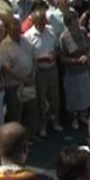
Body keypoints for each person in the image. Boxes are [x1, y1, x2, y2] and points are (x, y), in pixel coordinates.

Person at [25, 9, 62, 137]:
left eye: (43, 20)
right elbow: (29, 57)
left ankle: (55, 121)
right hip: (39, 71)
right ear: (34, 21)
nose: (43, 23)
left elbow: (57, 48)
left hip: (52, 68)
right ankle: (42, 125)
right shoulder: (28, 36)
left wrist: (53, 55)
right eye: (40, 21)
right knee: (41, 100)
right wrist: (42, 57)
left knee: (54, 97)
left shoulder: (50, 30)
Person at [0, 18, 37, 139]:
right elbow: (6, 69)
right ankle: (17, 139)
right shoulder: (5, 46)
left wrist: (31, 74)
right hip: (15, 85)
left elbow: (33, 57)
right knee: (17, 114)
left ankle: (30, 135)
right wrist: (22, 79)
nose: (17, 31)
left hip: (29, 81)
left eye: (18, 28)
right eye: (14, 29)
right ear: (8, 30)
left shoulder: (25, 40)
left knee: (30, 111)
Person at [59, 9, 90, 129]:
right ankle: (74, 118)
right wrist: (75, 61)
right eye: (74, 20)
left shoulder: (83, 31)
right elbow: (62, 58)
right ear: (69, 22)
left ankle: (83, 115)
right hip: (72, 72)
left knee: (84, 94)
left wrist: (87, 56)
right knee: (73, 95)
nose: (77, 21)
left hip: (84, 69)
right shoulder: (64, 37)